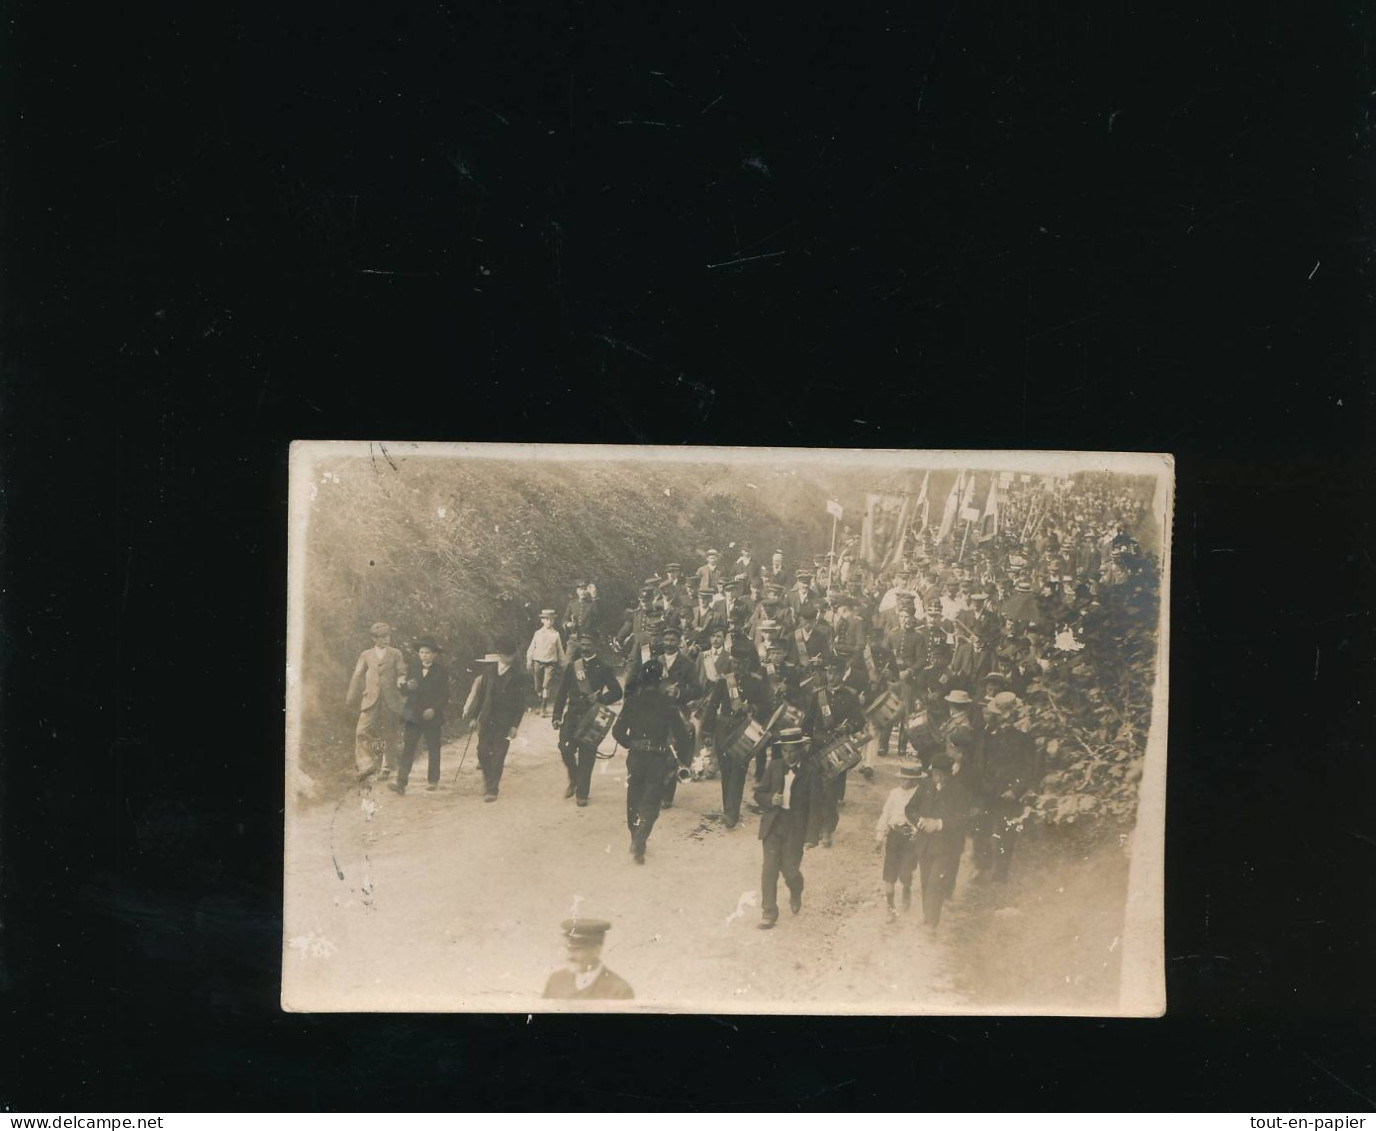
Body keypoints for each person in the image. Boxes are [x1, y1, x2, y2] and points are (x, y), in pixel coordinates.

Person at [612, 661, 692, 864]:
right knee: (651, 800)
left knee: (634, 797)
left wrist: (632, 744)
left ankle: (634, 837)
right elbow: (683, 736)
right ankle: (641, 837)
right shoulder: (668, 704)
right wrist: (683, 759)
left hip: (636, 757)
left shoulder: (632, 702)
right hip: (658, 758)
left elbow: (617, 732)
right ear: (659, 681)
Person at [700, 635, 772, 828]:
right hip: (723, 730)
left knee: (738, 771)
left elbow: (767, 706)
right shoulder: (724, 681)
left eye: (740, 664)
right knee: (726, 770)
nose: (736, 667)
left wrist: (751, 708)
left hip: (745, 731)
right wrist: (706, 732)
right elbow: (712, 706)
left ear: (748, 663)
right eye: (734, 663)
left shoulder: (757, 681)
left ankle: (732, 812)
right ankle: (728, 809)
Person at [973, 692, 1040, 883]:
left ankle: (1000, 873)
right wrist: (981, 787)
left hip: (1010, 792)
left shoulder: (1024, 736)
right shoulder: (988, 734)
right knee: (981, 830)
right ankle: (982, 868)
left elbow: (1029, 768)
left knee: (1006, 833)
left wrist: (1016, 790)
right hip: (988, 789)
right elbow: (982, 762)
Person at [551, 631, 623, 806]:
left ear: (595, 646)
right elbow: (562, 693)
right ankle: (574, 778)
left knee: (587, 754)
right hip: (573, 713)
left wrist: (600, 699)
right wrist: (556, 715)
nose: (585, 648)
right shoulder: (573, 666)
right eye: (582, 644)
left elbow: (617, 692)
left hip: (592, 715)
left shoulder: (603, 668)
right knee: (564, 747)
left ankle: (582, 793)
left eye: (588, 644)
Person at [803, 653, 867, 847]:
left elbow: (860, 721)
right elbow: (807, 722)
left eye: (835, 673)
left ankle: (827, 830)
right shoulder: (817, 695)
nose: (831, 677)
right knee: (814, 791)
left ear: (842, 675)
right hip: (817, 747)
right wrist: (805, 741)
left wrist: (847, 728)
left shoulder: (850, 696)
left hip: (838, 749)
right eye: (828, 673)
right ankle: (812, 833)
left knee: (831, 793)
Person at [754, 728, 814, 930]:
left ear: (800, 749)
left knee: (790, 870)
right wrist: (770, 799)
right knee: (769, 870)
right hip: (773, 823)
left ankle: (796, 890)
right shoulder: (774, 766)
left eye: (793, 751)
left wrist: (813, 835)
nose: (789, 755)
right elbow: (759, 794)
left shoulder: (810, 771)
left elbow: (816, 806)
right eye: (785, 751)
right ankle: (769, 912)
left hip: (795, 827)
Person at [905, 751, 971, 932]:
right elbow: (910, 809)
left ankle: (932, 922)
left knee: (936, 881)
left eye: (942, 774)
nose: (938, 778)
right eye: (935, 774)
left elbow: (964, 819)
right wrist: (920, 822)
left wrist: (940, 824)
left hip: (946, 846)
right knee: (926, 881)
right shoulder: (925, 785)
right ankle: (928, 916)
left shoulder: (958, 790)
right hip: (925, 844)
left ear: (950, 774)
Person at [462, 636, 526, 801]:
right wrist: (474, 718)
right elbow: (480, 697)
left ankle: (492, 789)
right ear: (500, 654)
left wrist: (514, 725)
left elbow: (520, 704)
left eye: (512, 654)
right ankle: (488, 778)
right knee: (482, 752)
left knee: (499, 754)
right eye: (507, 654)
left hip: (504, 722)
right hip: (486, 718)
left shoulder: (518, 676)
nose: (510, 658)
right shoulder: (488, 672)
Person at [345, 621, 408, 780]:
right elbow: (357, 675)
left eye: (387, 636)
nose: (386, 639)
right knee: (361, 731)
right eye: (382, 637)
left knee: (390, 732)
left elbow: (402, 672)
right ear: (374, 638)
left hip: (390, 698)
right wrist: (351, 697)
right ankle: (366, 765)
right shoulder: (365, 655)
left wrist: (401, 680)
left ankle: (387, 767)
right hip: (370, 698)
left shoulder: (396, 653)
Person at [392, 636, 450, 795]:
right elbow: (404, 690)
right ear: (418, 654)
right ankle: (401, 783)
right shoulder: (413, 667)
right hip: (414, 716)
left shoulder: (441, 671)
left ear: (435, 655)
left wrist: (434, 709)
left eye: (428, 653)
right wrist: (406, 687)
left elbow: (445, 695)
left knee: (433, 748)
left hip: (432, 716)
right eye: (422, 652)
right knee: (408, 749)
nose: (425, 655)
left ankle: (433, 780)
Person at [655, 624, 700, 808]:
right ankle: (656, 791)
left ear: (679, 641)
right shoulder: (655, 661)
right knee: (656, 751)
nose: (669, 643)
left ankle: (668, 795)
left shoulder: (687, 663)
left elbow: (697, 690)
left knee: (672, 753)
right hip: (657, 711)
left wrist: (680, 692)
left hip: (678, 712)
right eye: (666, 639)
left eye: (673, 640)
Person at [874, 763, 925, 917]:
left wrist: (916, 832)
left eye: (910, 779)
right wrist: (879, 836)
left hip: (911, 836)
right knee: (889, 871)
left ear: (916, 780)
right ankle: (890, 906)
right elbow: (886, 813)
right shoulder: (895, 793)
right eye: (903, 779)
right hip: (894, 835)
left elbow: (923, 816)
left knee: (906, 869)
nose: (906, 783)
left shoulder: (921, 794)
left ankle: (906, 888)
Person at [541, 919, 635, 1001]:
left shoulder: (619, 990)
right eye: (568, 949)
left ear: (596, 950)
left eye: (577, 950)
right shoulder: (556, 981)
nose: (570, 956)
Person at [525, 609, 567, 716]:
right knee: (537, 686)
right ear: (542, 620)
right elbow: (531, 647)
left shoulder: (556, 634)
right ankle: (540, 700)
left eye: (551, 620)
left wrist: (564, 664)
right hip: (537, 662)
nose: (549, 622)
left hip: (550, 663)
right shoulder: (537, 633)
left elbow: (560, 650)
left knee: (546, 685)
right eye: (547, 619)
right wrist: (529, 660)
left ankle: (543, 707)